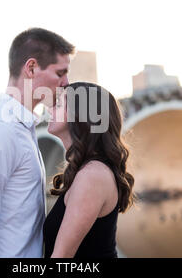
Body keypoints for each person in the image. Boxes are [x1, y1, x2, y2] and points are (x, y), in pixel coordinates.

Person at [0, 28, 75, 258]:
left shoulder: (22, 129)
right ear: (31, 68)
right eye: (60, 73)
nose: (66, 82)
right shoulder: (2, 132)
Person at [43, 82, 137, 258]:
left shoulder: (92, 175)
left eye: (59, 104)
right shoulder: (88, 171)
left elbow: (62, 257)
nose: (50, 110)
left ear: (80, 116)